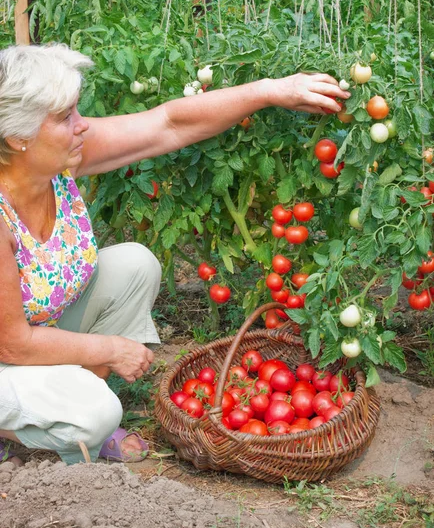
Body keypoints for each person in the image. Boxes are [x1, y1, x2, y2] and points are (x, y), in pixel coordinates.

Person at [0, 43, 350, 466]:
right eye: (65, 117)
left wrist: (270, 90)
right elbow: (13, 344)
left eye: (77, 110)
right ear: (18, 137)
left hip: (33, 330)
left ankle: (69, 419)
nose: (81, 126)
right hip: (10, 349)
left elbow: (167, 124)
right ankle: (63, 423)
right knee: (97, 413)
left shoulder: (54, 160)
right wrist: (110, 348)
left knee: (134, 265)